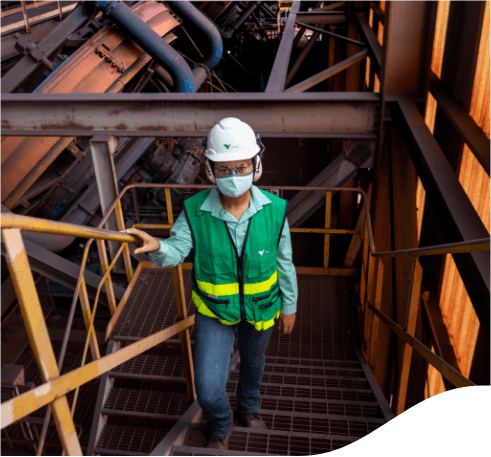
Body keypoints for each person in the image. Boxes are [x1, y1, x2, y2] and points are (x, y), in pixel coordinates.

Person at [122, 117, 298, 451]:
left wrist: (289, 307)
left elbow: (284, 263)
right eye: (224, 168)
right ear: (210, 169)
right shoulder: (195, 211)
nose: (234, 177)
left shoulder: (275, 211)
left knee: (253, 364)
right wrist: (158, 247)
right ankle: (221, 423)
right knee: (207, 388)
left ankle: (248, 410)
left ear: (256, 165)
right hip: (213, 312)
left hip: (262, 310)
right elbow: (176, 251)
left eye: (241, 166)